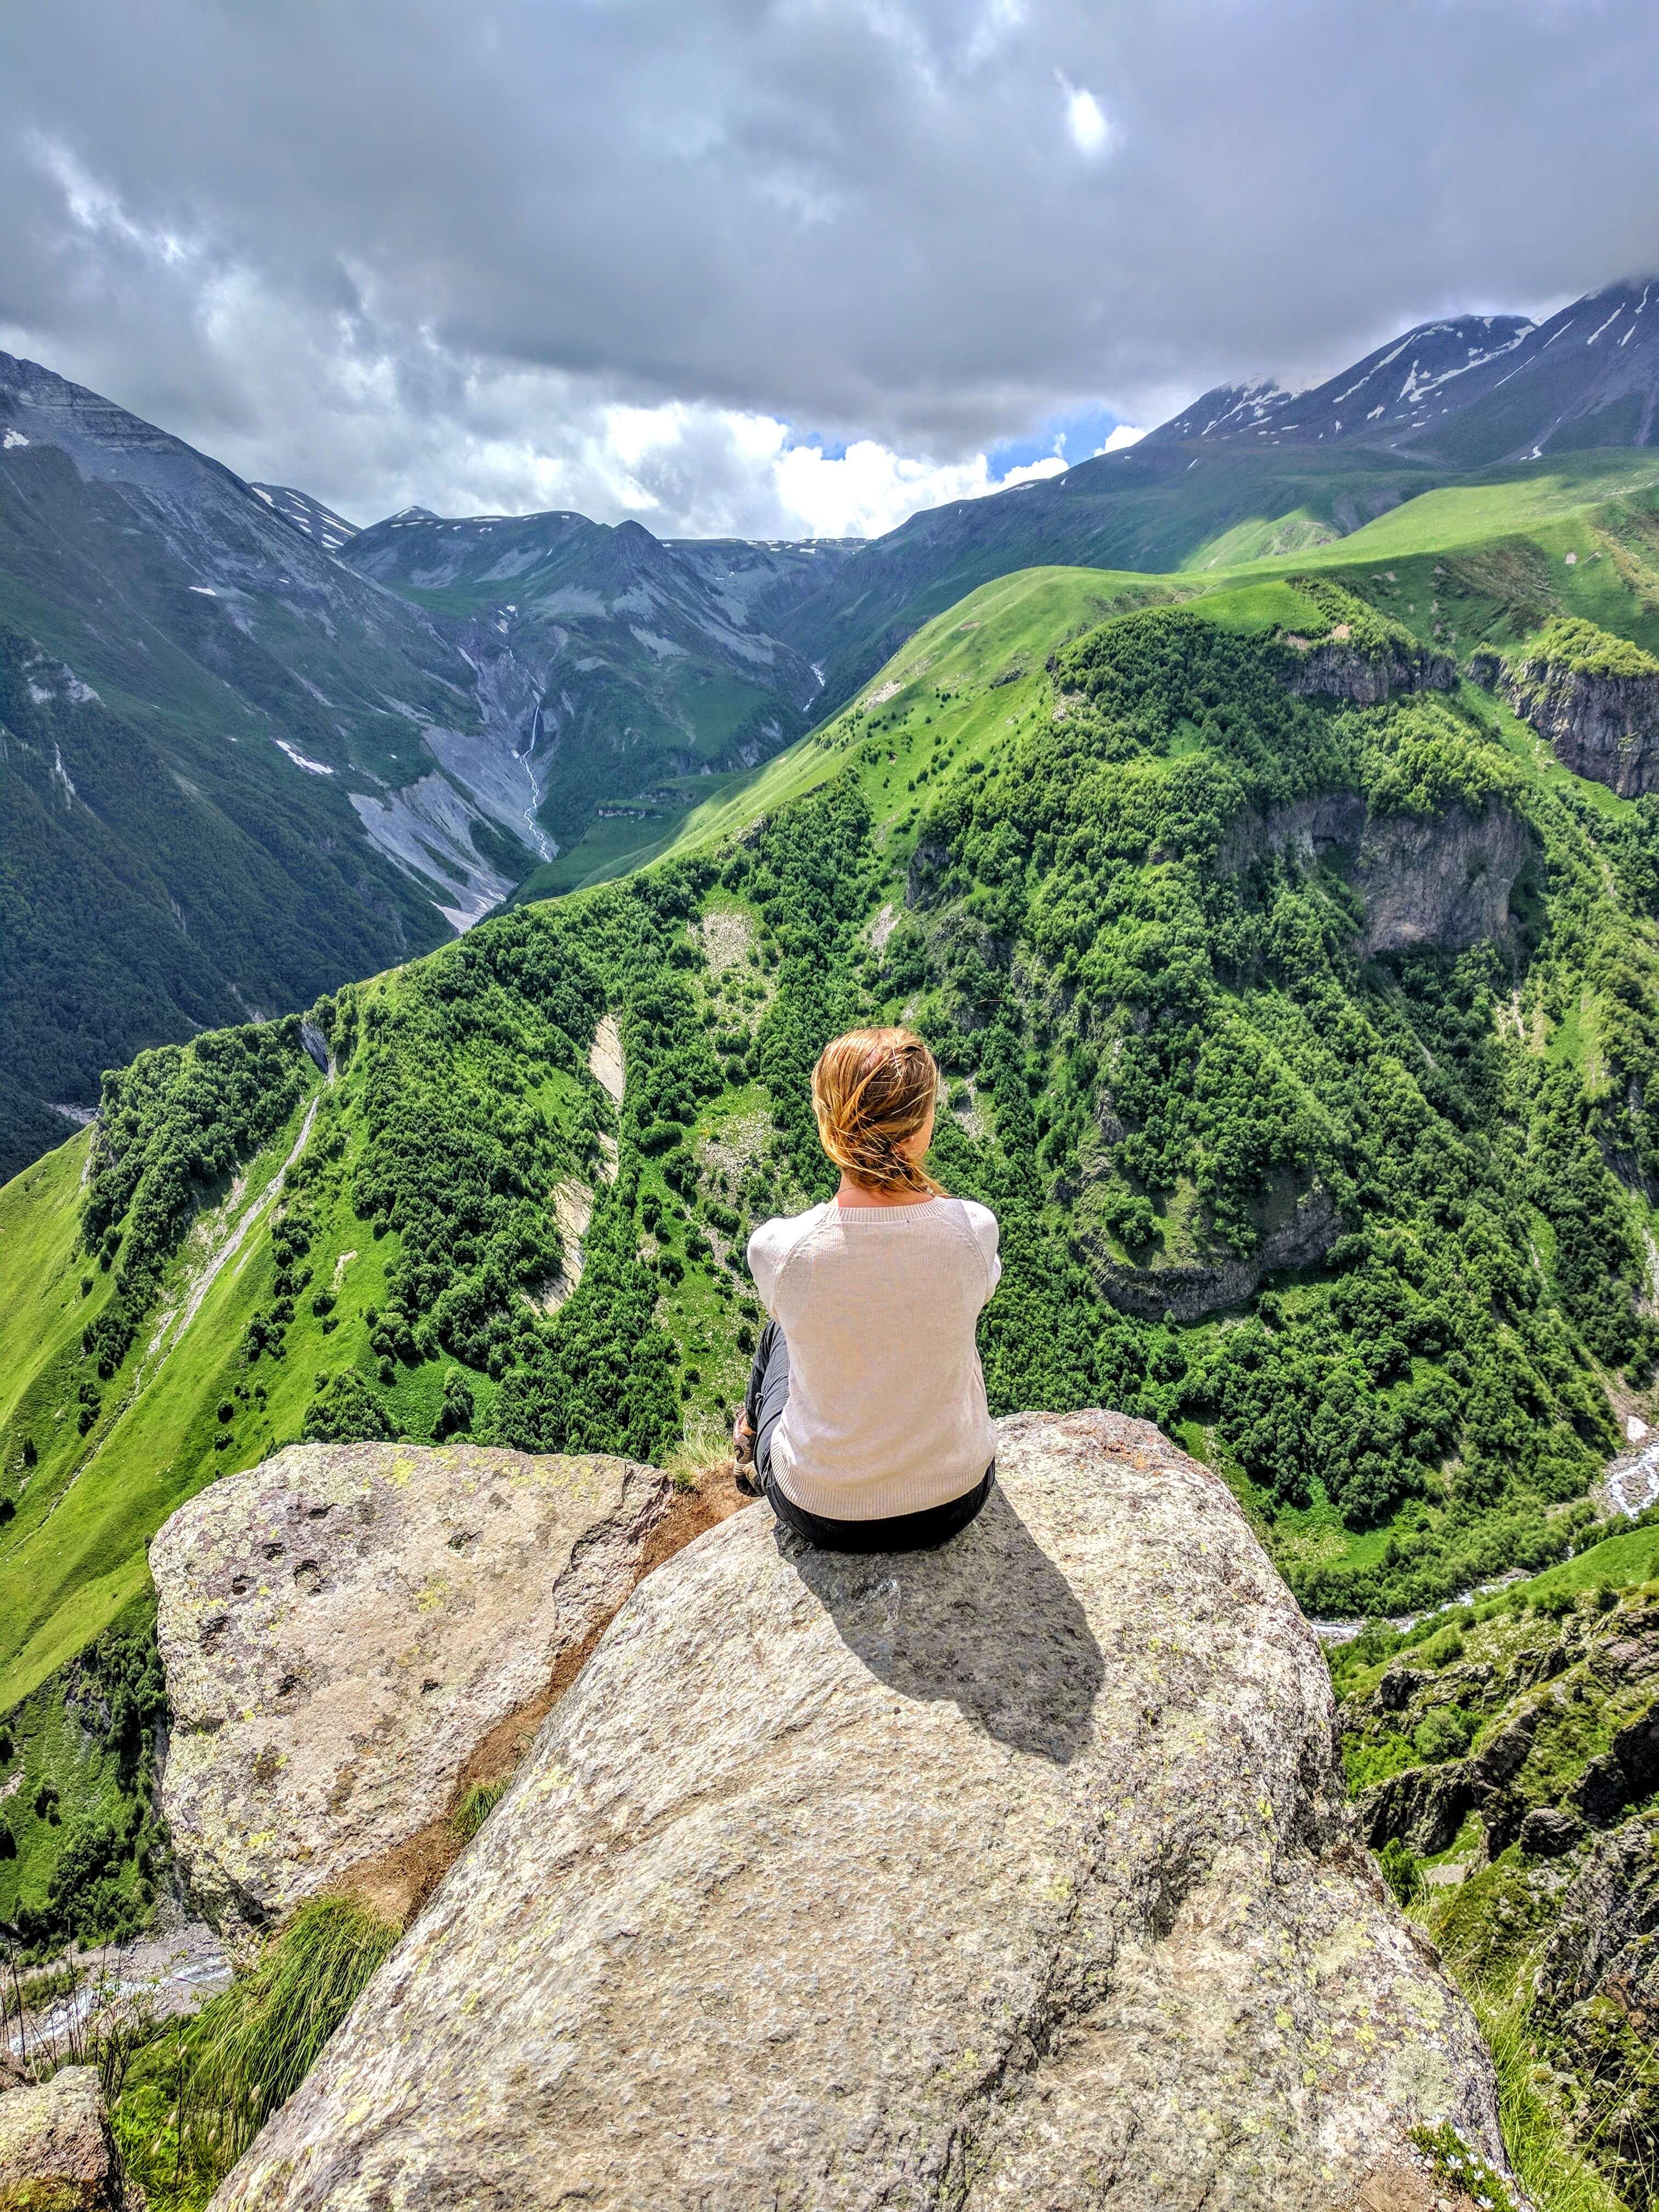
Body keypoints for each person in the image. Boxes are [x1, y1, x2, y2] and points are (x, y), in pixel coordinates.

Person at [733, 1025, 1001, 1552]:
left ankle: (746, 1438)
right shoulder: (975, 1230)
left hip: (821, 1509)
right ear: (922, 1129)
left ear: (828, 1125)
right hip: (956, 1498)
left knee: (776, 1336)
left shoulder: (779, 1250)